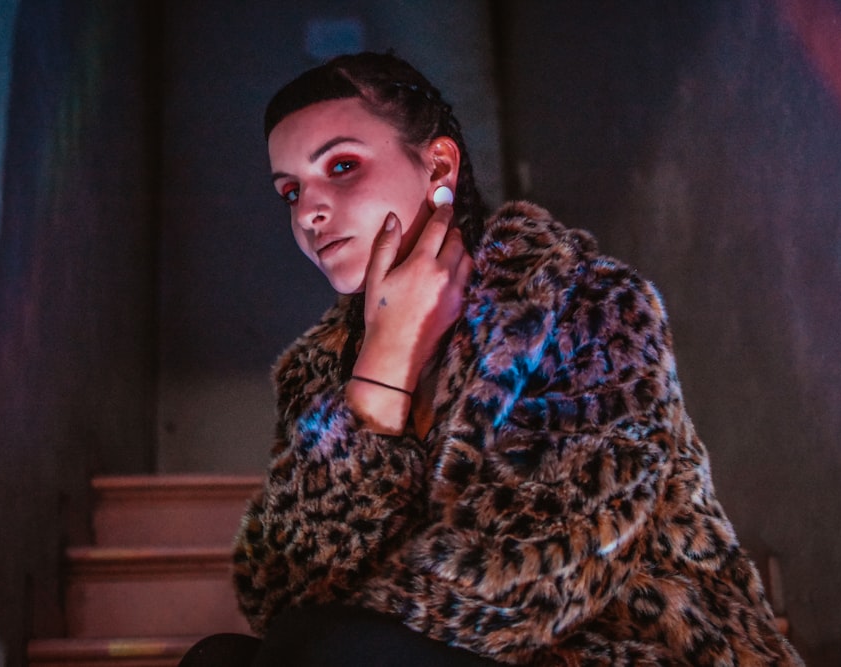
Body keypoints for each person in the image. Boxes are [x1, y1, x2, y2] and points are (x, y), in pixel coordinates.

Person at [180, 52, 803, 666]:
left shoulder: (584, 308)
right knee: (221, 659)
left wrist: (343, 619)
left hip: (623, 649)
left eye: (341, 166)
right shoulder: (321, 373)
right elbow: (281, 593)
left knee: (335, 647)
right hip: (401, 646)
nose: (308, 214)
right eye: (290, 191)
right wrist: (378, 380)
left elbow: (534, 575)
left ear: (438, 163)